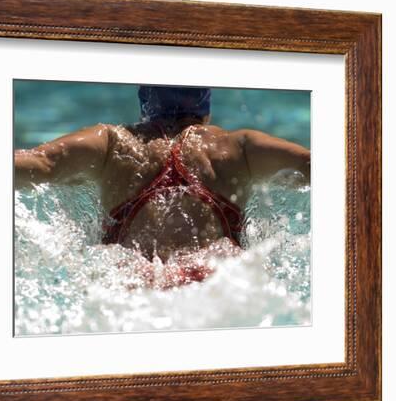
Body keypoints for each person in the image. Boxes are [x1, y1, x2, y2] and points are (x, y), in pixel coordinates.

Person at [15, 86, 310, 288]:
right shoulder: (238, 147)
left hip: (137, 282)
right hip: (216, 284)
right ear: (206, 105)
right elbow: (313, 166)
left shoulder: (112, 143)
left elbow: (40, 164)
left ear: (145, 98)